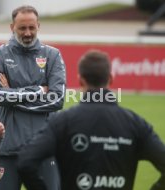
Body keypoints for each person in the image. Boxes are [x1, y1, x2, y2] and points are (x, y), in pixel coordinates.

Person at [17, 50, 165, 190]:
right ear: (111, 78)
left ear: (80, 80)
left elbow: (25, 162)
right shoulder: (136, 124)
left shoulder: (62, 121)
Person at [0, 5, 66, 190]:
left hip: (44, 149)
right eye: (22, 28)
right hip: (8, 148)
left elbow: (57, 99)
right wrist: (38, 91)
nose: (28, 33)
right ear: (12, 27)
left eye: (32, 27)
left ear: (38, 26)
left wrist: (12, 95)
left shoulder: (52, 55)